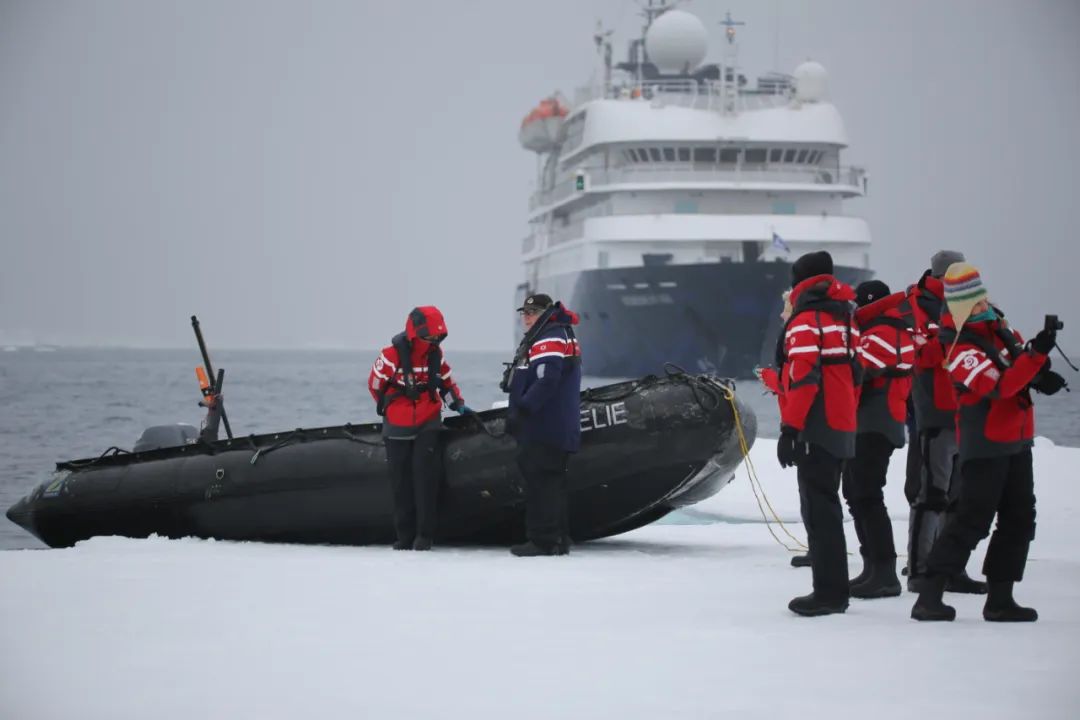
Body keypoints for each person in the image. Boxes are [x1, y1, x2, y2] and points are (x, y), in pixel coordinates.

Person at [911, 263, 1065, 621]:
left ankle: (1000, 598)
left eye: (982, 299)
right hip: (985, 445)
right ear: (961, 307)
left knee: (1019, 519)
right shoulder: (958, 346)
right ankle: (929, 594)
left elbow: (1017, 370)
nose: (984, 306)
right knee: (971, 520)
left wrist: (1040, 373)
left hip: (1017, 440)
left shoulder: (999, 331)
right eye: (975, 303)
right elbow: (999, 386)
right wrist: (1036, 355)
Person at [776, 251, 859, 616]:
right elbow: (857, 372)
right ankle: (835, 588)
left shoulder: (806, 321)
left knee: (819, 508)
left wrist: (790, 428)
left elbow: (804, 378)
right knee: (829, 506)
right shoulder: (846, 317)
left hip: (816, 424)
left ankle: (828, 593)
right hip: (842, 421)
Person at [902, 250, 986, 594]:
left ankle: (951, 568)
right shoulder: (920, 305)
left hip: (967, 413)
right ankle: (921, 569)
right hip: (936, 413)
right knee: (931, 496)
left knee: (961, 499)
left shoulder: (971, 307)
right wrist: (959, 327)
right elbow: (926, 355)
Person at [368, 306, 468, 551]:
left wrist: (457, 401)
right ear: (415, 334)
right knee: (401, 483)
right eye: (429, 337)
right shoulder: (390, 355)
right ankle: (404, 536)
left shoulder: (436, 354)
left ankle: (425, 536)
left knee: (426, 480)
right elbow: (375, 385)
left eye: (438, 337)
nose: (433, 341)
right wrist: (392, 407)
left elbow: (446, 381)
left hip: (428, 419)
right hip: (397, 424)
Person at [843, 280, 914, 598]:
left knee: (867, 495)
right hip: (875, 423)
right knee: (858, 494)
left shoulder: (881, 334)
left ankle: (884, 572)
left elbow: (858, 376)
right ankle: (872, 566)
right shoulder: (893, 330)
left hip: (875, 424)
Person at [504, 293, 582, 557]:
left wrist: (524, 409)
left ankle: (542, 540)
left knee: (540, 481)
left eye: (532, 312)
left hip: (544, 425)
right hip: (557, 424)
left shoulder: (549, 336)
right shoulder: (558, 333)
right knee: (553, 481)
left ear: (545, 313)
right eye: (524, 313)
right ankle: (559, 537)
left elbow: (547, 379)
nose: (526, 317)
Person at [756, 289, 814, 569]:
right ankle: (819, 548)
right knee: (813, 493)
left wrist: (790, 431)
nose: (781, 314)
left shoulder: (802, 340)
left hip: (806, 429)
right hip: (811, 427)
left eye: (786, 308)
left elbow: (798, 385)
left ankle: (822, 553)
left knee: (814, 493)